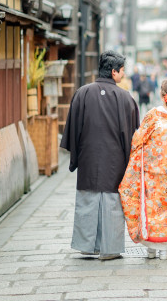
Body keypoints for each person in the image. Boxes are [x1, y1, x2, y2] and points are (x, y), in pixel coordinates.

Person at [60, 51, 140, 260]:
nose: (123, 75)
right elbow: (133, 136)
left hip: (88, 159)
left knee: (88, 201)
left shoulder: (82, 93)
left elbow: (73, 129)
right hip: (115, 163)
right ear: (114, 72)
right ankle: (110, 249)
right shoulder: (125, 99)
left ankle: (86, 246)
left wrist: (77, 156)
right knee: (112, 204)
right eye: (122, 71)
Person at [119, 76, 167, 260]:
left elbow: (138, 139)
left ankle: (151, 248)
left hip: (151, 173)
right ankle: (164, 250)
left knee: (150, 209)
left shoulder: (153, 115)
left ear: (163, 96)